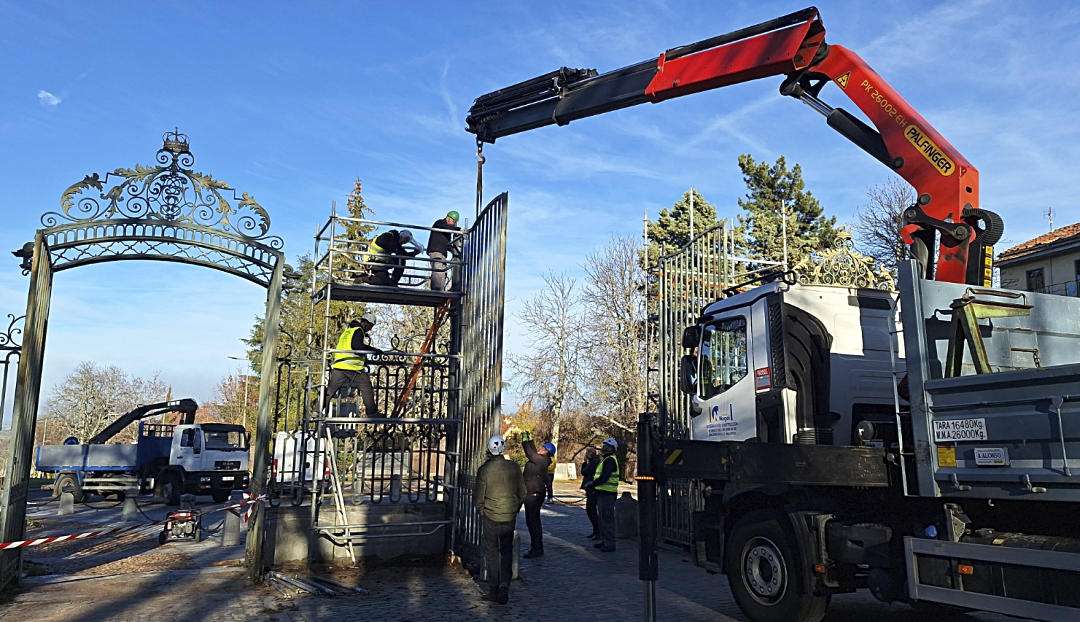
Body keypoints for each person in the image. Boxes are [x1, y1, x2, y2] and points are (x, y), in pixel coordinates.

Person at [473, 434, 525, 605]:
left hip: (490, 516)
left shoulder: (485, 470)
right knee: (507, 552)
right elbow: (522, 492)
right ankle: (505, 587)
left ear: (489, 450)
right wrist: (514, 508)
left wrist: (482, 510)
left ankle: (493, 589)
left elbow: (479, 497)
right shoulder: (514, 467)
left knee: (492, 553)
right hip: (509, 516)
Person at [324, 313, 381, 417]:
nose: (370, 329)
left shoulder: (348, 331)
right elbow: (357, 347)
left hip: (339, 365)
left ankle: (319, 410)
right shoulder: (358, 331)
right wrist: (373, 350)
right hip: (353, 367)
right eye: (370, 326)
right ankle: (372, 413)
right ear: (365, 323)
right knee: (366, 388)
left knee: (330, 390)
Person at [520, 431, 554, 558]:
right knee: (533, 522)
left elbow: (530, 453)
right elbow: (533, 452)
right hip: (533, 494)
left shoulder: (541, 461)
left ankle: (537, 549)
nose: (541, 448)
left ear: (547, 452)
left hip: (534, 495)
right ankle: (536, 547)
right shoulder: (542, 460)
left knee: (533, 522)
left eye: (543, 448)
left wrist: (525, 440)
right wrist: (529, 439)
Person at [583, 437, 619, 552]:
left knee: (607, 520)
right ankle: (604, 541)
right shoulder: (606, 459)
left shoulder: (610, 460)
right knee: (603, 519)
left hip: (607, 494)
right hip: (603, 493)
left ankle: (609, 544)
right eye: (604, 446)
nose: (603, 448)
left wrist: (592, 484)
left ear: (612, 449)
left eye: (606, 447)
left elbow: (604, 477)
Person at [426, 210, 461, 291]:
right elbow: (447, 228)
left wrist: (455, 251)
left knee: (442, 272)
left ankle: (440, 290)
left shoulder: (447, 231)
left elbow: (447, 244)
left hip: (442, 252)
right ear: (449, 219)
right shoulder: (439, 223)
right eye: (454, 222)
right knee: (438, 270)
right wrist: (458, 230)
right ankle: (436, 290)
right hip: (436, 251)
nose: (454, 224)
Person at [579, 447, 600, 539]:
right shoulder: (591, 462)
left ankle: (598, 531)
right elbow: (583, 472)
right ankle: (596, 531)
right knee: (591, 511)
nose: (586, 454)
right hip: (590, 488)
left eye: (587, 452)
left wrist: (585, 463)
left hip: (593, 488)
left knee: (591, 511)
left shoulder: (594, 462)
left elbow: (586, 471)